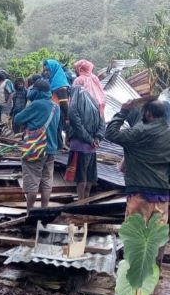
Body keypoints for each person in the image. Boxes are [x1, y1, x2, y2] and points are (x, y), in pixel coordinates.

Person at [106, 100, 170, 229]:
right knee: (157, 236)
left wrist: (123, 111)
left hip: (140, 193)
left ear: (147, 113)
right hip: (162, 193)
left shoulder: (139, 131)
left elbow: (111, 133)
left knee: (135, 237)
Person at [13, 79, 60, 210]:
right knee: (46, 181)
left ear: (38, 92)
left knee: (32, 181)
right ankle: (44, 210)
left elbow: (18, 119)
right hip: (51, 150)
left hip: (35, 149)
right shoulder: (56, 107)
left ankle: (30, 212)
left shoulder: (37, 104)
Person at [65, 85, 104, 199]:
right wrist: (97, 138)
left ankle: (81, 200)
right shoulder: (95, 104)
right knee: (90, 175)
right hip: (92, 147)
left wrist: (89, 139)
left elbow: (76, 123)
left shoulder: (74, 105)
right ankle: (86, 199)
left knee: (80, 176)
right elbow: (102, 123)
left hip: (79, 146)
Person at [43, 59, 70, 148]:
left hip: (59, 112)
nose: (46, 72)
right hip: (53, 110)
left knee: (57, 130)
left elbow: (64, 103)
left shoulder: (60, 84)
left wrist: (67, 117)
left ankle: (59, 148)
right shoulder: (53, 81)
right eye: (44, 70)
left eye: (48, 70)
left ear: (53, 70)